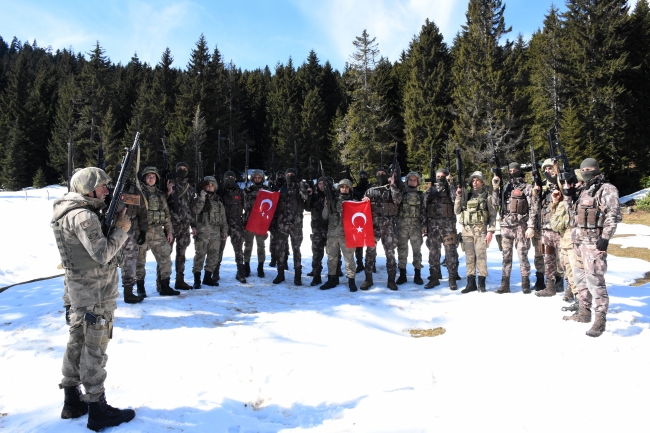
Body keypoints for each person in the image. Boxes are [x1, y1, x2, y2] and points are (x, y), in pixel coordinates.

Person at [52, 167, 135, 431]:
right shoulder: (83, 216)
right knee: (95, 347)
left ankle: (72, 400)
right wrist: (121, 230)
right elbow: (102, 254)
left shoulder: (70, 211)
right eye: (102, 187)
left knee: (77, 341)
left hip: (80, 289)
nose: (107, 191)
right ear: (88, 189)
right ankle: (97, 408)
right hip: (95, 292)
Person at [563, 158, 622, 337]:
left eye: (590, 168)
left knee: (595, 280)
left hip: (594, 243)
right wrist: (568, 194)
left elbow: (613, 215)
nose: (586, 171)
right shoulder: (582, 190)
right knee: (579, 278)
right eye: (583, 169)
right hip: (578, 242)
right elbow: (571, 214)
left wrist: (605, 238)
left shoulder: (607, 189)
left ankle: (600, 319)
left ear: (596, 169)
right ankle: (584, 312)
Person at [493, 162, 537, 294]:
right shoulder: (505, 187)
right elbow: (495, 204)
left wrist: (531, 226)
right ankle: (505, 284)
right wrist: (495, 188)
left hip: (521, 226)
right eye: (510, 170)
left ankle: (525, 282)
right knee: (506, 255)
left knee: (522, 254)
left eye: (515, 170)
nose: (512, 172)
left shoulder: (527, 187)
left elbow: (533, 208)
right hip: (506, 226)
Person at [136, 167, 178, 296]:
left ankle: (165, 286)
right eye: (148, 176)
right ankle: (140, 288)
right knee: (140, 261)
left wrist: (169, 231)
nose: (151, 178)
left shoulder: (160, 195)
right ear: (144, 178)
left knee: (165, 258)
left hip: (158, 232)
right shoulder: (138, 193)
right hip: (142, 232)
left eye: (153, 176)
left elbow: (166, 215)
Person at [455, 171, 497, 293]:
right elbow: (457, 211)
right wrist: (458, 196)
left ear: (482, 182)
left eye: (477, 180)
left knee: (481, 257)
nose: (475, 182)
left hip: (481, 231)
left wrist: (490, 231)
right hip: (467, 231)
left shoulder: (487, 196)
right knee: (469, 257)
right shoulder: (466, 195)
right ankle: (470, 283)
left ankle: (481, 283)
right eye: (473, 180)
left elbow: (493, 214)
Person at [360, 167, 402, 290]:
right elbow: (362, 207)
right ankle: (368, 279)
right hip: (373, 227)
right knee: (370, 253)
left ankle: (391, 280)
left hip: (388, 226)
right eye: (378, 174)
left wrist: (393, 185)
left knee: (390, 253)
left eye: (383, 174)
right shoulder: (370, 191)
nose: (380, 175)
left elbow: (398, 200)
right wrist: (364, 201)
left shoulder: (391, 189)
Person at [271, 168, 310, 284]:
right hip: (282, 224)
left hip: (296, 224)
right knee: (280, 249)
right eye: (288, 174)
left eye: (292, 174)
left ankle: (298, 275)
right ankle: (280, 273)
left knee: (296, 249)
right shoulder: (281, 188)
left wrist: (302, 185)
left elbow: (305, 198)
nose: (290, 176)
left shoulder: (299, 187)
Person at [422, 168, 459, 290]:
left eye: (442, 176)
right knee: (433, 254)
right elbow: (423, 209)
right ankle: (434, 278)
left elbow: (456, 200)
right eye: (438, 176)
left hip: (448, 227)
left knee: (451, 253)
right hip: (433, 227)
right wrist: (424, 225)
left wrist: (451, 184)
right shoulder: (430, 190)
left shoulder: (450, 189)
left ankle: (452, 278)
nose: (440, 177)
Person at [318, 178, 358, 291]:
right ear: (339, 188)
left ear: (350, 189)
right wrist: (326, 205)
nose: (344, 189)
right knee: (332, 258)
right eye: (342, 187)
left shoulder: (354, 202)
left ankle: (351, 280)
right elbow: (324, 216)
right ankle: (332, 279)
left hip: (347, 235)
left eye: (346, 187)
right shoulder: (333, 200)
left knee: (349, 259)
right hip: (332, 234)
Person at [535, 159, 565, 297]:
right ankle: (550, 286)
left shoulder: (561, 185)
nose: (548, 171)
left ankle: (569, 288)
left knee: (563, 260)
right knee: (548, 260)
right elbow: (536, 207)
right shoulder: (541, 187)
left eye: (550, 168)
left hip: (560, 230)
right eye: (545, 169)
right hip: (545, 229)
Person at [192, 176, 228, 288]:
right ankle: (197, 280)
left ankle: (207, 277)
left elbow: (223, 218)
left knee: (213, 257)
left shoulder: (218, 201)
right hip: (202, 233)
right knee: (199, 256)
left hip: (215, 234)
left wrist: (224, 231)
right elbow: (195, 211)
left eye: (212, 185)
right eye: (208, 185)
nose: (210, 187)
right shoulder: (198, 199)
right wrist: (202, 197)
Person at [166, 162, 197, 290]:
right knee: (166, 254)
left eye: (184, 169)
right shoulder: (170, 184)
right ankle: (162, 281)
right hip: (172, 226)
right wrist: (168, 191)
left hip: (185, 226)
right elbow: (163, 202)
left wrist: (193, 225)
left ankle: (180, 279)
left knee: (181, 254)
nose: (182, 170)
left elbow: (192, 208)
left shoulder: (190, 188)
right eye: (180, 168)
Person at [217, 170, 247, 283]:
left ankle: (240, 272)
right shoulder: (220, 191)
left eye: (231, 176)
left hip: (236, 223)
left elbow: (247, 208)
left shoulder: (240, 192)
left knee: (238, 249)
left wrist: (243, 221)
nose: (230, 178)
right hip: (222, 224)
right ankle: (215, 272)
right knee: (219, 248)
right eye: (227, 177)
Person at [396, 172, 425, 285]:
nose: (412, 181)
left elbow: (424, 211)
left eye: (414, 180)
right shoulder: (401, 194)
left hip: (416, 227)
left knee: (417, 252)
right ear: (407, 181)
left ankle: (417, 275)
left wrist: (424, 225)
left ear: (418, 182)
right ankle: (402, 274)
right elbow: (396, 207)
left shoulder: (421, 195)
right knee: (402, 251)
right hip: (402, 226)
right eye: (410, 180)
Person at [243, 170, 269, 278]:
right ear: (252, 179)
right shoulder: (248, 191)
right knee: (248, 245)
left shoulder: (267, 191)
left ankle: (260, 266)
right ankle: (246, 266)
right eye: (255, 178)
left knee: (261, 246)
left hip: (261, 222)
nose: (257, 179)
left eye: (259, 177)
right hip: (250, 221)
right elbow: (244, 205)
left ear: (262, 179)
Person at [306, 176, 329, 286]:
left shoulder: (332, 196)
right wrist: (309, 196)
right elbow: (306, 207)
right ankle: (316, 274)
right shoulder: (314, 196)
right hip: (317, 229)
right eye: (320, 183)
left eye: (324, 183)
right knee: (316, 253)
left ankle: (335, 272)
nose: (322, 185)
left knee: (333, 253)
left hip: (330, 229)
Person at [352, 170, 372, 273]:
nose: (363, 177)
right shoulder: (354, 189)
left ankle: (372, 263)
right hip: (358, 219)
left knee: (371, 243)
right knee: (358, 243)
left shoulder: (371, 188)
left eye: (364, 175)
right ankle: (359, 263)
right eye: (361, 175)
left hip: (370, 218)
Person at [269, 171, 289, 269]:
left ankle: (284, 260)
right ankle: (273, 258)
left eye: (282, 176)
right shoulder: (273, 186)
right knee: (273, 239)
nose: (280, 177)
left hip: (284, 216)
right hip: (273, 215)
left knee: (284, 240)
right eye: (279, 175)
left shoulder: (287, 187)